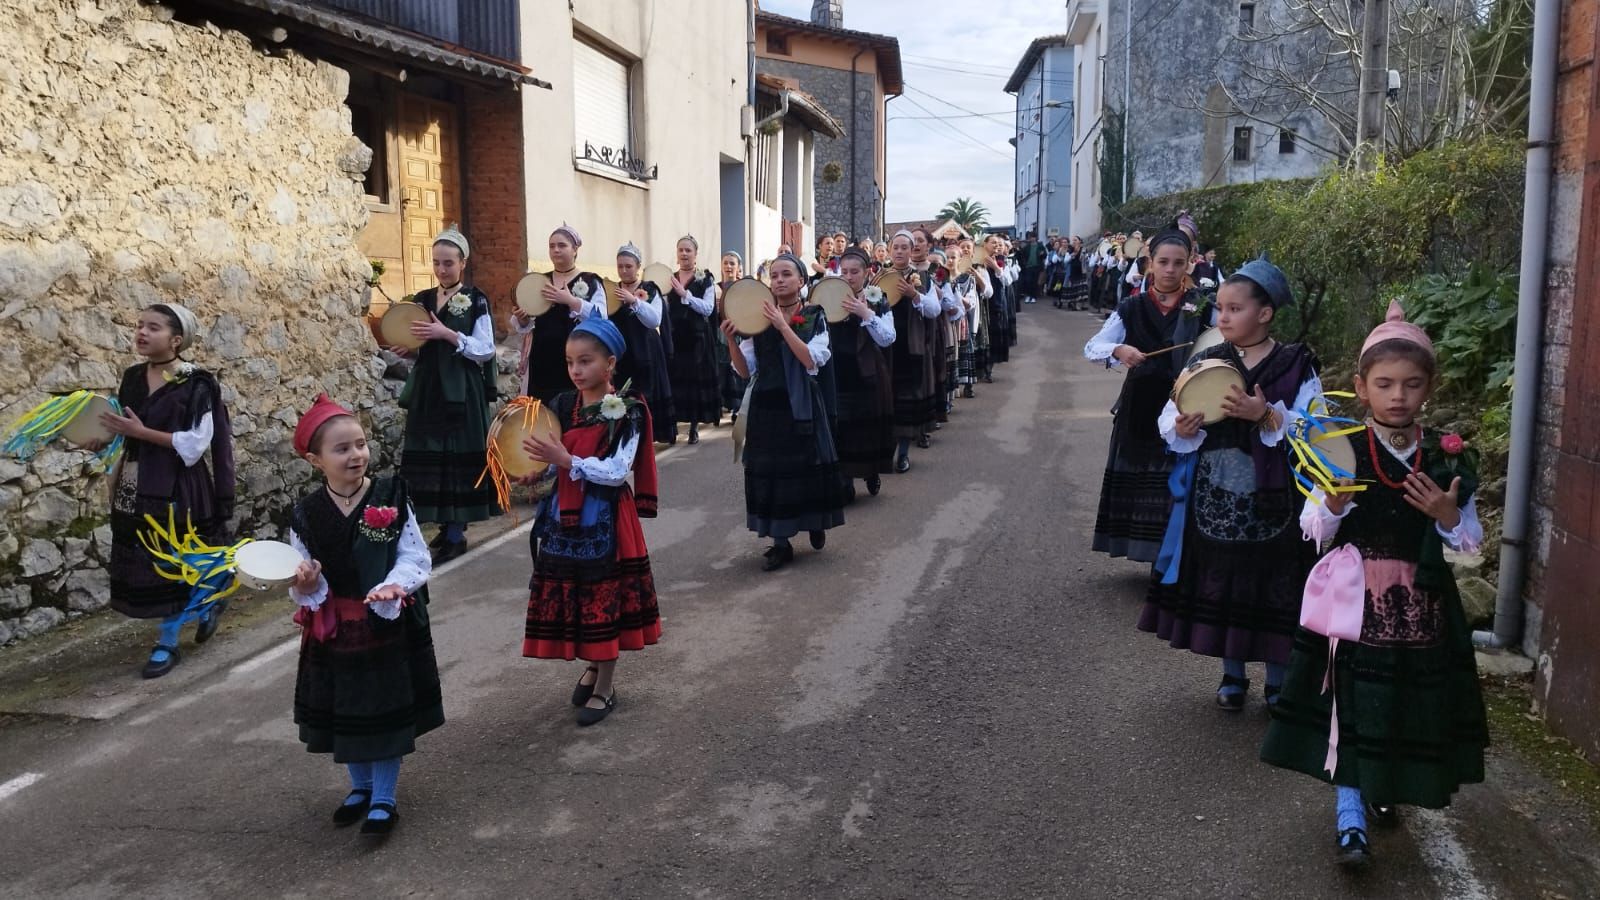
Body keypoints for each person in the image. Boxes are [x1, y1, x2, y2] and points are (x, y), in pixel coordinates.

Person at [1260, 301, 1487, 868]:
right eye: (1384, 384)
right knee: (1351, 702)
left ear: (1428, 387)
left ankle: (1387, 783)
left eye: (1411, 385)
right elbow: (1314, 528)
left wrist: (1446, 515)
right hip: (1355, 603)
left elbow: (1470, 540)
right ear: (1360, 388)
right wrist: (1332, 504)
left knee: (1405, 700)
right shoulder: (1342, 448)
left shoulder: (1444, 458)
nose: (1398, 396)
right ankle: (1350, 814)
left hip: (1422, 605)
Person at [1139, 256, 1321, 711]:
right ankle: (1232, 675)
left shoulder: (1296, 363)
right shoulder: (1207, 360)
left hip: (1277, 497)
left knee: (1276, 582)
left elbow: (1316, 429)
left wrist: (1266, 415)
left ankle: (1277, 680)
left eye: (1234, 309)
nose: (1223, 317)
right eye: (1220, 309)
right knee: (1226, 581)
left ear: (1265, 314)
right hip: (1215, 493)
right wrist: (1181, 428)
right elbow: (1172, 413)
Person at [287, 394, 442, 837]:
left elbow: (414, 553)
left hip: (384, 620)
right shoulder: (306, 514)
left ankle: (385, 797)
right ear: (316, 460)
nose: (356, 454)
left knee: (383, 708)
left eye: (360, 444)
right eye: (342, 449)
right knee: (345, 707)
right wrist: (307, 581)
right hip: (335, 628)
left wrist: (394, 584)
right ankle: (360, 786)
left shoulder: (392, 493)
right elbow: (304, 576)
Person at [521, 318, 661, 726]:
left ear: (610, 363)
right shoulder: (564, 405)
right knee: (578, 595)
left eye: (585, 361)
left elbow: (618, 471)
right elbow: (557, 458)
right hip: (565, 516)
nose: (576, 371)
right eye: (570, 362)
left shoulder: (628, 410)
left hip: (606, 516)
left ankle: (605, 685)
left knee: (604, 598)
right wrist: (540, 472)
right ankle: (594, 665)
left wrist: (568, 463)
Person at [102, 302, 235, 678]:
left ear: (177, 340)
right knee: (146, 561)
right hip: (134, 483)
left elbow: (196, 444)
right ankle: (207, 600)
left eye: (153, 328)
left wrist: (142, 433)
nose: (142, 332)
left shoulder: (197, 383)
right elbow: (122, 427)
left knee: (172, 560)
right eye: (140, 325)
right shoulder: (131, 377)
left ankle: (168, 640)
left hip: (178, 485)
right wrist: (103, 438)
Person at [1083, 228, 1212, 562]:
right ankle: (1146, 552)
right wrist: (1119, 349)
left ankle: (1174, 557)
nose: (1170, 269)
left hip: (1186, 403)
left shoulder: (1202, 306)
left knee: (1177, 479)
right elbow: (1092, 347)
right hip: (1140, 404)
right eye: (1163, 262)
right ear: (1149, 264)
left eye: (1178, 263)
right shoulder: (1132, 306)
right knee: (1142, 478)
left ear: (1190, 265)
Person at [720, 253, 845, 570]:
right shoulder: (756, 319)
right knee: (771, 471)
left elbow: (810, 360)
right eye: (774, 275)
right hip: (767, 404)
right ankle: (780, 542)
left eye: (786, 274)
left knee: (806, 467)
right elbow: (746, 372)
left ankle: (814, 521)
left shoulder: (815, 316)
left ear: (801, 281)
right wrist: (731, 341)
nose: (778, 280)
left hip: (800, 402)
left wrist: (783, 326)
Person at [394, 226, 501, 563]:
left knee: (457, 456)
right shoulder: (422, 300)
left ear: (463, 263)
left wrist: (447, 333)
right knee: (431, 454)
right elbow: (418, 344)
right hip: (429, 387)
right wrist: (406, 350)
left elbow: (485, 350)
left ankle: (457, 533)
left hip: (460, 388)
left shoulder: (475, 299)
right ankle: (443, 524)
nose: (442, 270)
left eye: (449, 263)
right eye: (437, 263)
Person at [828, 248, 897, 500]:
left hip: (867, 370)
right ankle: (844, 481)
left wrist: (864, 313)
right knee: (841, 427)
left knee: (866, 426)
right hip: (837, 370)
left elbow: (888, 338)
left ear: (867, 272)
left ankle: (870, 471)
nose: (848, 276)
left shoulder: (878, 298)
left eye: (854, 271)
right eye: (843, 271)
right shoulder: (829, 296)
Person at [512, 225, 608, 404]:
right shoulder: (539, 281)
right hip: (543, 359)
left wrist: (571, 301)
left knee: (573, 410)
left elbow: (601, 317)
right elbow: (527, 325)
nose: (556, 250)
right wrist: (522, 319)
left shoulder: (590, 280)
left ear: (575, 249)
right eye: (551, 246)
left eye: (562, 245)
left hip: (577, 360)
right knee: (543, 414)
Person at [881, 231, 942, 473]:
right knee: (886, 401)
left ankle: (903, 453)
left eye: (904, 247)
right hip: (884, 347)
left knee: (907, 401)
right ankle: (885, 451)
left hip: (911, 344)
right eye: (895, 247)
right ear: (889, 249)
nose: (899, 251)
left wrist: (913, 295)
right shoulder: (879, 277)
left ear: (911, 250)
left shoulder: (923, 278)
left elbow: (934, 310)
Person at [611, 242, 676, 444]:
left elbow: (655, 319)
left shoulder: (649, 289)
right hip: (621, 350)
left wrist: (635, 301)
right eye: (620, 266)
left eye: (628, 266)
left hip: (646, 349)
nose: (623, 271)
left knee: (646, 393)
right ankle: (627, 437)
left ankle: (647, 436)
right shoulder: (611, 290)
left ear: (638, 267)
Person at [664, 236, 721, 444]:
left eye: (688, 250)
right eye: (681, 250)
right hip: (676, 335)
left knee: (695, 383)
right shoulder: (668, 278)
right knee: (676, 381)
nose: (684, 254)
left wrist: (685, 294)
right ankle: (674, 427)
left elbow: (708, 308)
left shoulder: (705, 279)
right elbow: (665, 306)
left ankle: (694, 427)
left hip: (697, 338)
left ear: (695, 254)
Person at [716, 251, 750, 422]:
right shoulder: (716, 287)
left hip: (738, 332)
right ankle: (724, 404)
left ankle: (739, 407)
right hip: (720, 333)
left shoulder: (743, 287)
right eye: (726, 263)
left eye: (732, 263)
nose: (728, 267)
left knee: (738, 371)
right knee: (723, 370)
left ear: (738, 268)